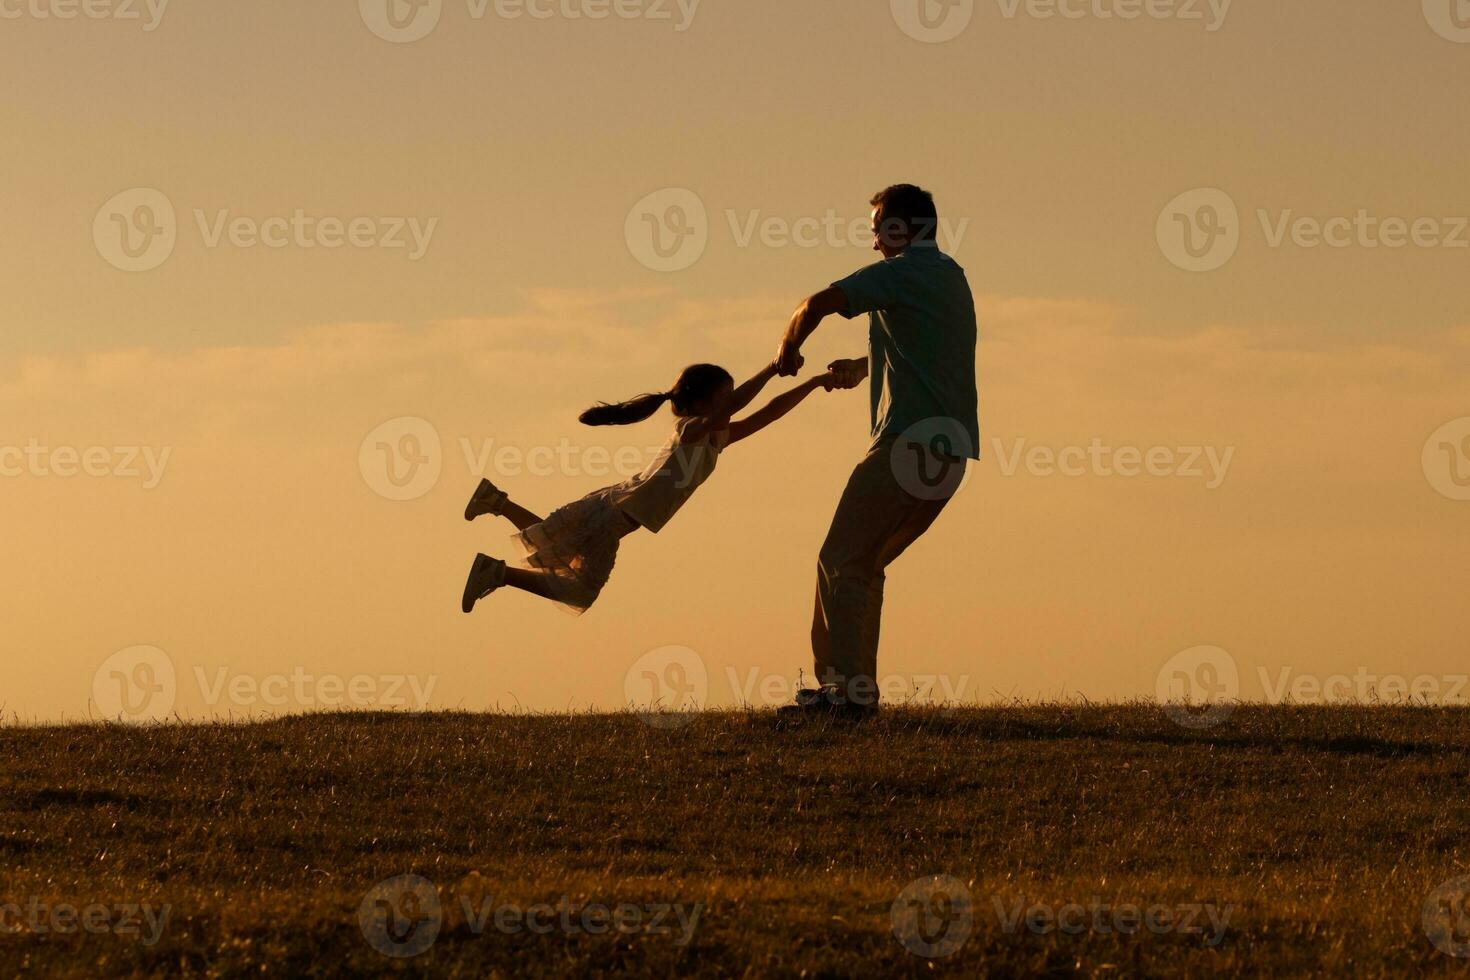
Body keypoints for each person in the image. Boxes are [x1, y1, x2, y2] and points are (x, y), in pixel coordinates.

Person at [773, 184, 980, 719]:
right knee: (865, 565)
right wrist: (864, 368)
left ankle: (841, 696)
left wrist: (788, 347)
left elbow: (815, 304)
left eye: (878, 229)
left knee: (839, 560)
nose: (873, 242)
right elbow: (927, 353)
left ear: (903, 228)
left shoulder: (901, 271)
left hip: (905, 443)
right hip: (950, 454)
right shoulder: (950, 276)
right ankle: (855, 697)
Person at [461, 360, 858, 614]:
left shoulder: (715, 438)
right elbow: (732, 408)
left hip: (614, 513)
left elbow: (767, 414)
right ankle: (497, 569)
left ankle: (495, 506)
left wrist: (813, 384)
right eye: (723, 395)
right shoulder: (690, 430)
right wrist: (773, 368)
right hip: (612, 513)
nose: (728, 404)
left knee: (554, 548)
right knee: (573, 582)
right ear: (704, 403)